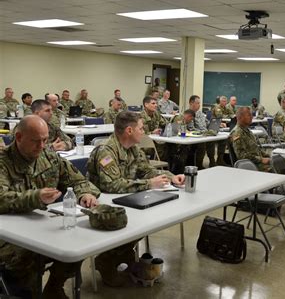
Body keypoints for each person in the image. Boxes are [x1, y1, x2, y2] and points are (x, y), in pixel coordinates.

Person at [0, 115, 99, 298]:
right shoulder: (3, 162)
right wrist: (35, 197)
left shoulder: (48, 156)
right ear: (19, 137)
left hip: (41, 227)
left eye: (45, 140)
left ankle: (54, 287)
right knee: (28, 256)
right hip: (7, 236)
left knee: (80, 242)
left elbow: (77, 179)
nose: (42, 146)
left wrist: (85, 193)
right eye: (36, 141)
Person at [87, 111, 184, 286]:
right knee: (138, 224)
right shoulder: (106, 151)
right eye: (141, 128)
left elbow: (147, 170)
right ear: (129, 131)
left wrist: (170, 177)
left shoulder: (133, 149)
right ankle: (106, 261)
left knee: (149, 221)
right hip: (105, 209)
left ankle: (124, 255)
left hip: (128, 200)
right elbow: (112, 185)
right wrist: (148, 184)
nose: (144, 131)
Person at [230, 107, 271, 171]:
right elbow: (241, 156)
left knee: (279, 163)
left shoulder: (247, 130)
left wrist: (267, 156)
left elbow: (256, 149)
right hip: (250, 165)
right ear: (240, 117)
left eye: (251, 115)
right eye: (249, 115)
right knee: (275, 169)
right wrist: (261, 159)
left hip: (257, 162)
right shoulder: (237, 133)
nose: (251, 117)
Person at [188, 95, 216, 167]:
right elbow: (191, 128)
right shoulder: (189, 114)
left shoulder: (200, 113)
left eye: (199, 103)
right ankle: (199, 165)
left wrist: (215, 124)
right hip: (197, 136)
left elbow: (207, 122)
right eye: (197, 103)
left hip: (205, 133)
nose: (199, 105)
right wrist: (203, 132)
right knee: (202, 143)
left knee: (212, 140)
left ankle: (212, 161)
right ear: (191, 103)